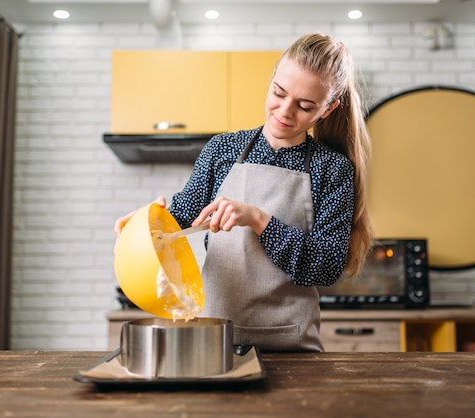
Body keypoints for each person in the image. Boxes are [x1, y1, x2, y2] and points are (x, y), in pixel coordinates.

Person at [114, 32, 373, 352]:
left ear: (327, 109)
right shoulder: (223, 148)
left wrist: (259, 219)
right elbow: (183, 214)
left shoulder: (331, 169)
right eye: (279, 93)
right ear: (271, 79)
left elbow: (325, 266)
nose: (285, 111)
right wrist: (147, 223)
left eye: (305, 106)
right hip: (216, 341)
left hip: (292, 346)